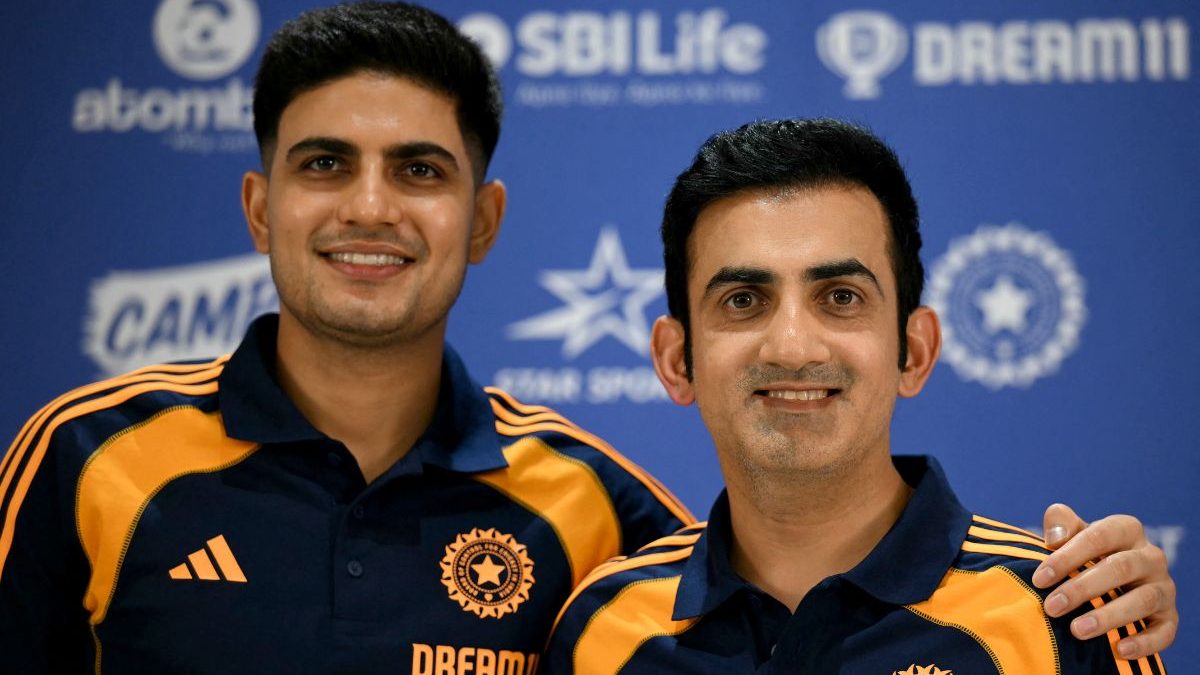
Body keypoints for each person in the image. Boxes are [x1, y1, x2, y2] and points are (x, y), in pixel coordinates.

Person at [0, 3, 1175, 673]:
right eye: (323, 167)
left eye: (418, 170)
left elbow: (782, 566)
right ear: (259, 208)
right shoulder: (80, 457)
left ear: (482, 220)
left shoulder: (597, 521)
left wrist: (1115, 582)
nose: (369, 209)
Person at [544, 119, 1173, 673]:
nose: (792, 347)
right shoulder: (600, 633)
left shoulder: (1063, 617)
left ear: (915, 351)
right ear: (677, 361)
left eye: (841, 297)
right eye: (744, 301)